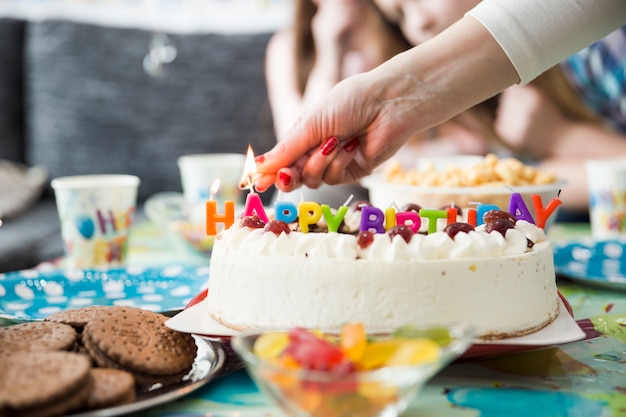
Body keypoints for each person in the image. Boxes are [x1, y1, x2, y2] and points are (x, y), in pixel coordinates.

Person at [253, 0, 626, 200]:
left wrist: (561, 137)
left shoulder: (598, 51)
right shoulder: (485, 96)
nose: (418, 25)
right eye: (399, 15)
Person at [264, 0, 410, 205]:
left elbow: (463, 138)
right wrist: (329, 59)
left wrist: (381, 167)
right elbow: (295, 143)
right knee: (298, 199)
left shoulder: (407, 23)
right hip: (334, 188)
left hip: (402, 184)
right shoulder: (288, 46)